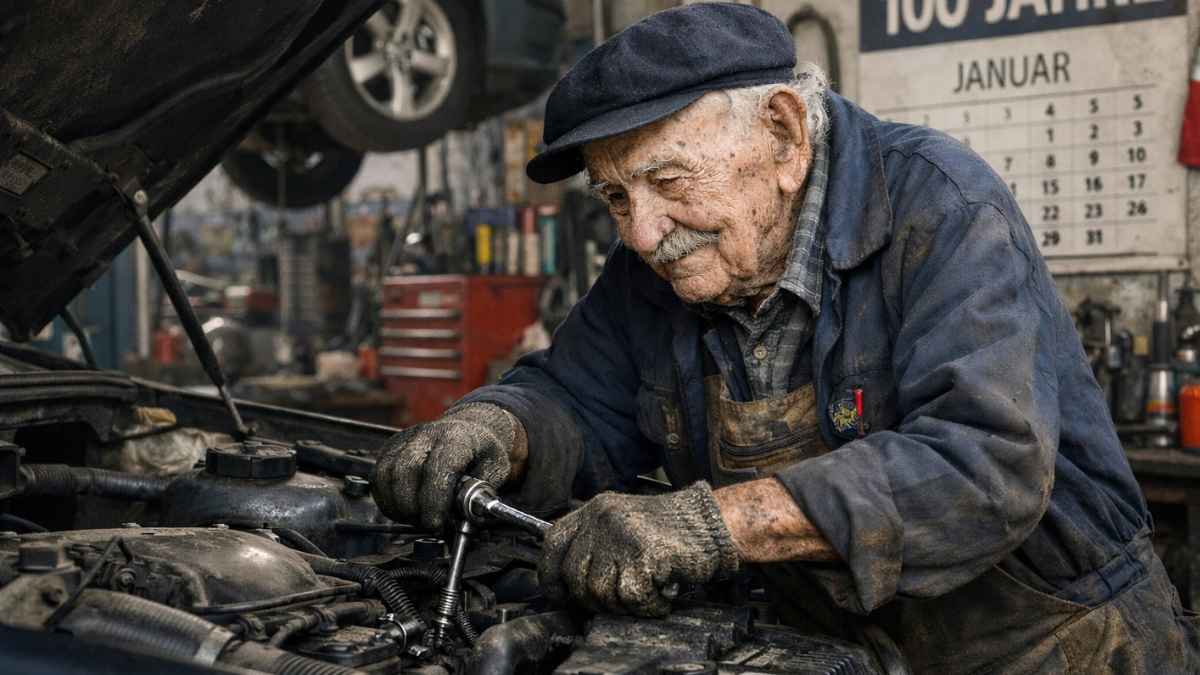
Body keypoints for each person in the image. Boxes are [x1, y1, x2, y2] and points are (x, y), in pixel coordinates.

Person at [371, 4, 1199, 672]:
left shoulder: (943, 208)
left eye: (666, 179)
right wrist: (501, 425)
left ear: (784, 134)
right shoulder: (655, 268)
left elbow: (986, 465)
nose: (644, 233)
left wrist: (712, 525)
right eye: (616, 197)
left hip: (1050, 644)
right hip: (844, 651)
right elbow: (578, 398)